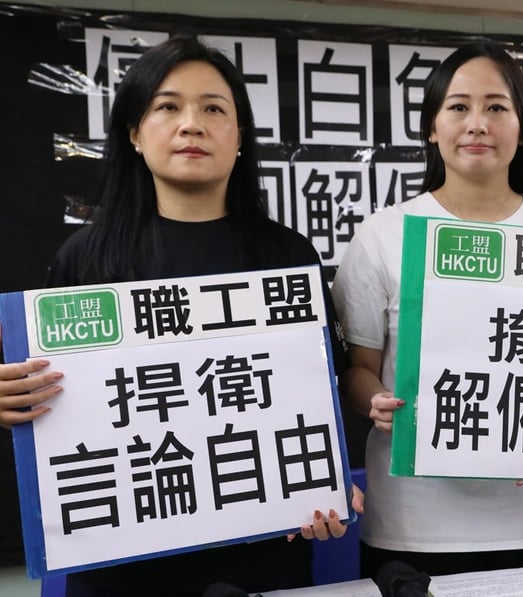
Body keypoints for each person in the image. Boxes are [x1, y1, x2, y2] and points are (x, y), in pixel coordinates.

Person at [0, 36, 362, 595]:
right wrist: (15, 402)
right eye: (167, 106)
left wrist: (329, 480)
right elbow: (52, 412)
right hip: (119, 570)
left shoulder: (286, 259)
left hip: (263, 559)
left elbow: (322, 393)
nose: (191, 124)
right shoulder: (84, 259)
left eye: (214, 109)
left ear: (240, 137)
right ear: (134, 134)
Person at [332, 41, 523, 577]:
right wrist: (375, 401)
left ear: (522, 127)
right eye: (458, 107)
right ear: (431, 127)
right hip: (413, 522)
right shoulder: (383, 235)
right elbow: (357, 368)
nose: (477, 123)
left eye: (497, 107)